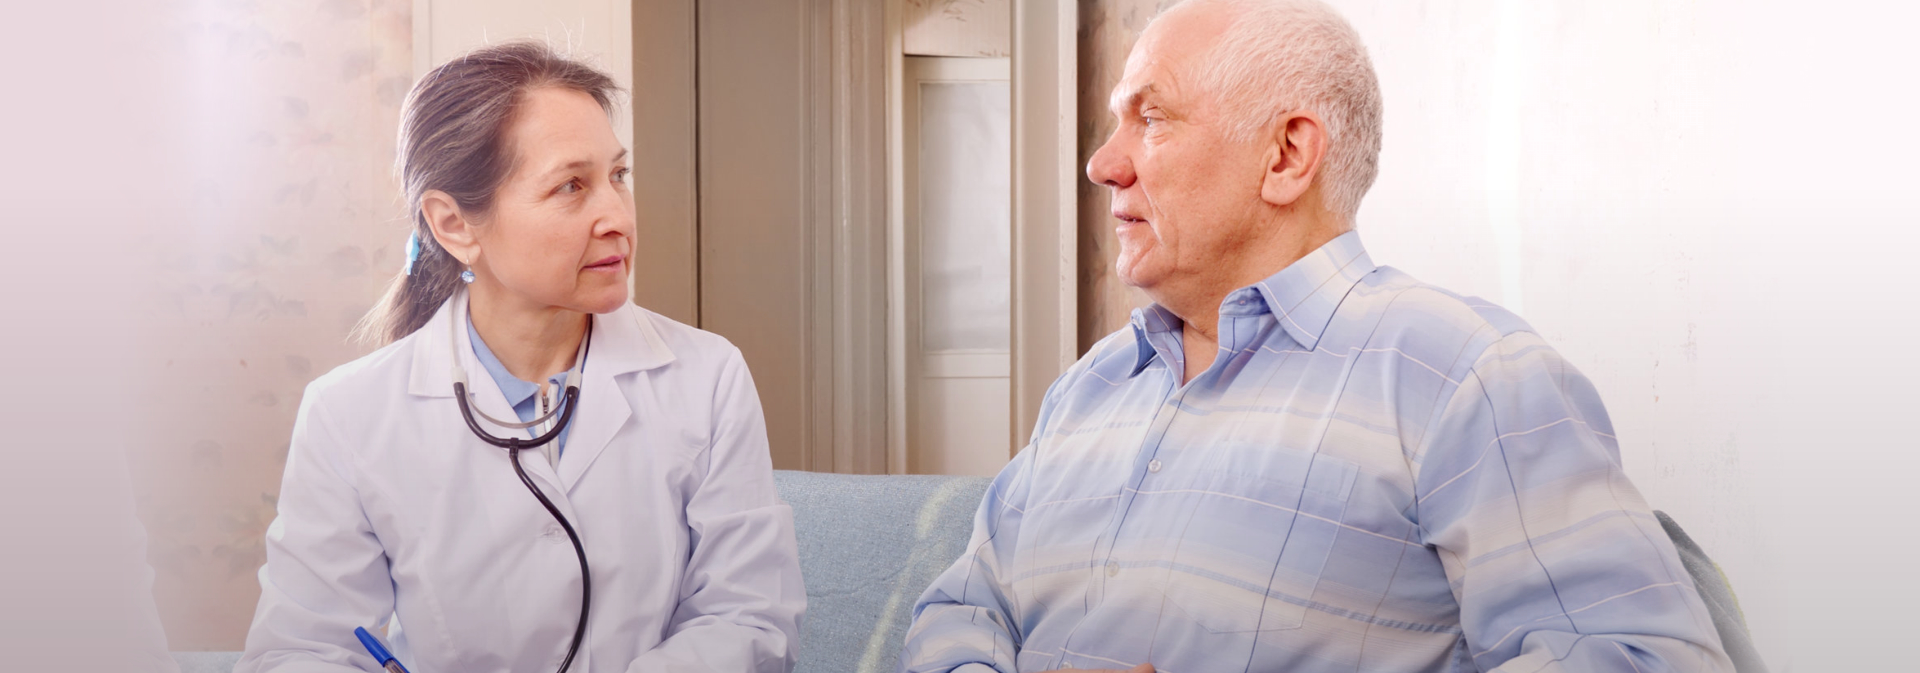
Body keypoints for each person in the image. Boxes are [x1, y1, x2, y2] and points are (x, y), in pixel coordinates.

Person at [898, 1, 1733, 671]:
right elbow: (961, 609)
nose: (1102, 163)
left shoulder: (1466, 375)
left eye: (1151, 117)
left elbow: (1647, 656)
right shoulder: (1089, 387)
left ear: (1287, 155)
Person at [235, 42, 803, 673]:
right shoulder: (348, 413)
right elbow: (300, 651)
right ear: (454, 224)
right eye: (571, 186)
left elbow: (750, 619)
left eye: (618, 175)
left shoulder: (707, 377)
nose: (618, 216)